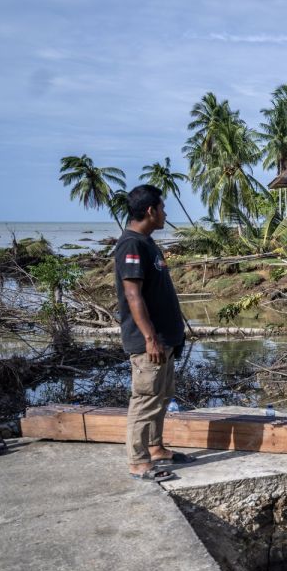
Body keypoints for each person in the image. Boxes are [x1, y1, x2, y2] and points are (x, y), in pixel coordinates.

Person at [113, 184, 189, 481]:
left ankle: (156, 448)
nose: (165, 213)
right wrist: (149, 338)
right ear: (150, 211)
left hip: (164, 339)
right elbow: (133, 295)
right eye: (162, 208)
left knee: (162, 396)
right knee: (145, 400)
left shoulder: (147, 243)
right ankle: (138, 462)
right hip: (150, 342)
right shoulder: (131, 245)